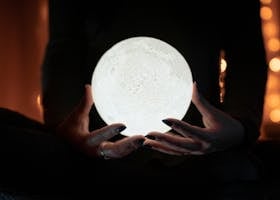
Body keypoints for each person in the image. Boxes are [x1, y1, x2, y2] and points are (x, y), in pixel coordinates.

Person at [0, 0, 268, 199]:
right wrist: (65, 127)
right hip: (94, 148)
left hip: (200, 151)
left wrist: (239, 126)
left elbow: (246, 51)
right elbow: (64, 46)